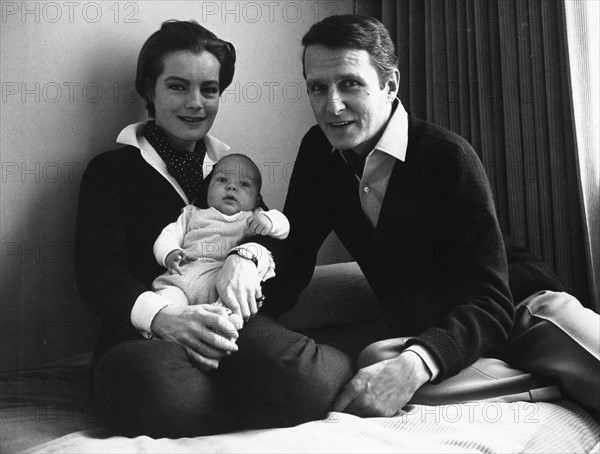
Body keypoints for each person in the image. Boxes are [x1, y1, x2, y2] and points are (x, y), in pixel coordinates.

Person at [215, 14, 515, 420]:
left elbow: (493, 300)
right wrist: (247, 268)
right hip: (415, 325)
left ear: (390, 85)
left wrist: (416, 364)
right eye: (318, 88)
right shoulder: (320, 150)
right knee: (366, 362)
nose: (332, 105)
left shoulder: (448, 158)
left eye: (350, 83)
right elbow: (297, 249)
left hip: (512, 309)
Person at [74, 20, 284, 436]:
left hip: (228, 329)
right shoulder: (111, 171)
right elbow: (97, 272)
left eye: (209, 89)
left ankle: (233, 392)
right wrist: (166, 318)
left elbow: (270, 237)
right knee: (159, 389)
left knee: (318, 380)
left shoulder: (232, 173)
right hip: (145, 340)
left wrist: (248, 255)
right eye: (177, 86)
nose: (196, 103)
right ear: (149, 91)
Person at [152, 153, 289, 316]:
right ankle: (169, 326)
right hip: (182, 277)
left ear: (257, 200)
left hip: (221, 280)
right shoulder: (191, 214)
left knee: (231, 304)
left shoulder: (253, 217)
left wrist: (269, 220)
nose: (231, 187)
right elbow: (168, 235)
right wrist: (169, 253)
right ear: (207, 189)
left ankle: (222, 323)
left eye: (244, 184)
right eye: (222, 180)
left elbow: (284, 226)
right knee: (165, 301)